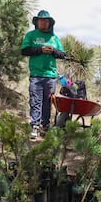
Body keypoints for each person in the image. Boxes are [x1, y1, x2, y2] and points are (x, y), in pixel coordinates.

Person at [21, 10, 66, 139]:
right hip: (36, 74)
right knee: (35, 100)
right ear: (37, 22)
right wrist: (40, 50)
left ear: (50, 23)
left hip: (50, 75)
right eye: (41, 20)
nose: (44, 23)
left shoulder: (54, 38)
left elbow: (63, 54)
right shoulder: (31, 35)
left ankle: (45, 125)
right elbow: (24, 50)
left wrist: (53, 51)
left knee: (47, 102)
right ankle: (34, 125)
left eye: (46, 21)